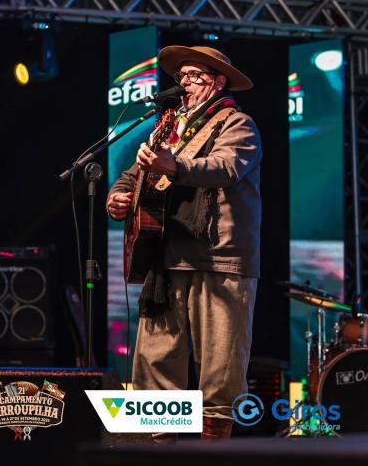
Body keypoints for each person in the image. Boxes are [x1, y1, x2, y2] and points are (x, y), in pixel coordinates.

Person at [107, 46, 261, 441]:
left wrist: (173, 166)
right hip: (167, 258)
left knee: (220, 369)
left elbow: (225, 167)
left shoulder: (238, 124)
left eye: (194, 76)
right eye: (182, 77)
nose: (185, 83)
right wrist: (118, 197)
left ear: (218, 82)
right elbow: (132, 174)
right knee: (154, 363)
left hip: (219, 258)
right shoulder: (167, 127)